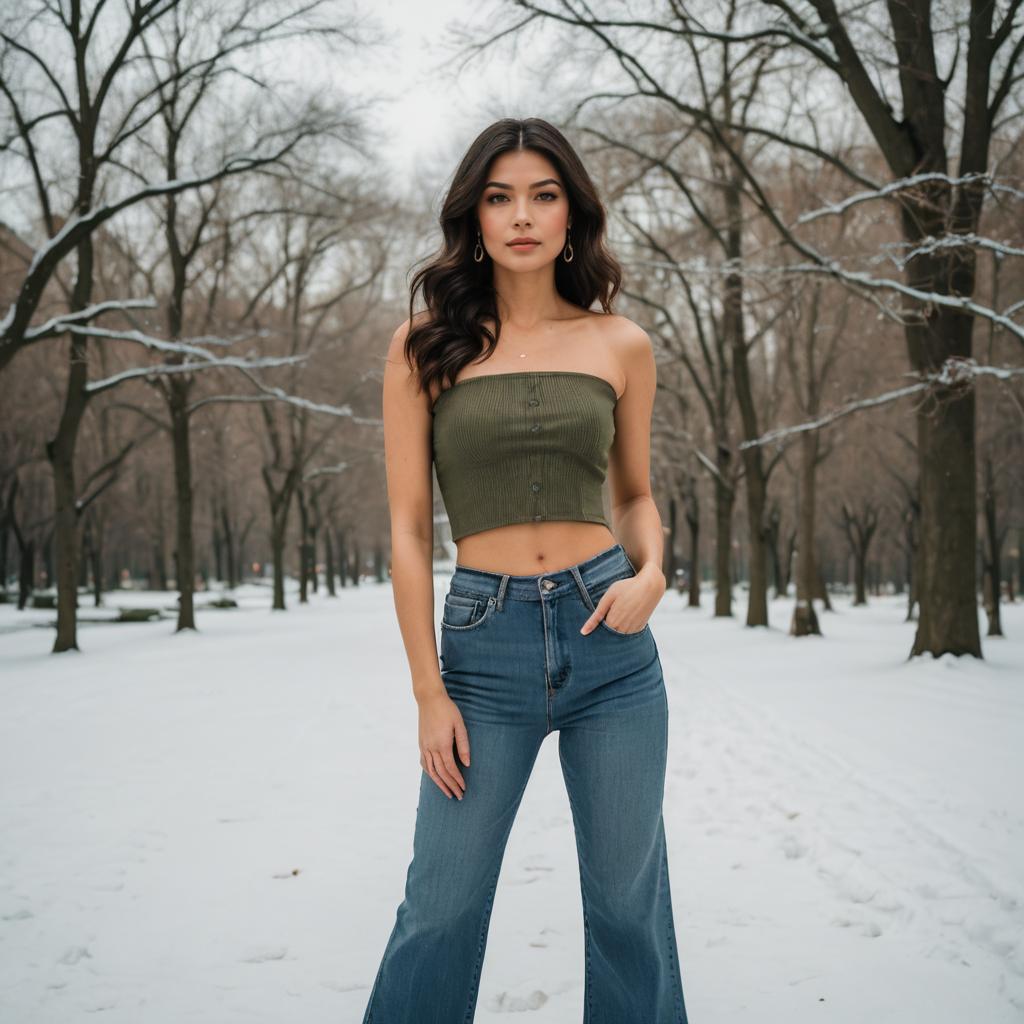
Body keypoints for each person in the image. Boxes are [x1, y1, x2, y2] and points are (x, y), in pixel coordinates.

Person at [362, 116, 690, 1024]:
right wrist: (428, 691)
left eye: (543, 196)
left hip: (610, 642)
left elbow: (634, 495)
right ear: (473, 215)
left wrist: (653, 572)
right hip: (483, 651)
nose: (521, 216)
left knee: (627, 906)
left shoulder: (620, 343)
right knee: (440, 905)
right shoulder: (423, 346)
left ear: (571, 214)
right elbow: (407, 531)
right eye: (499, 197)